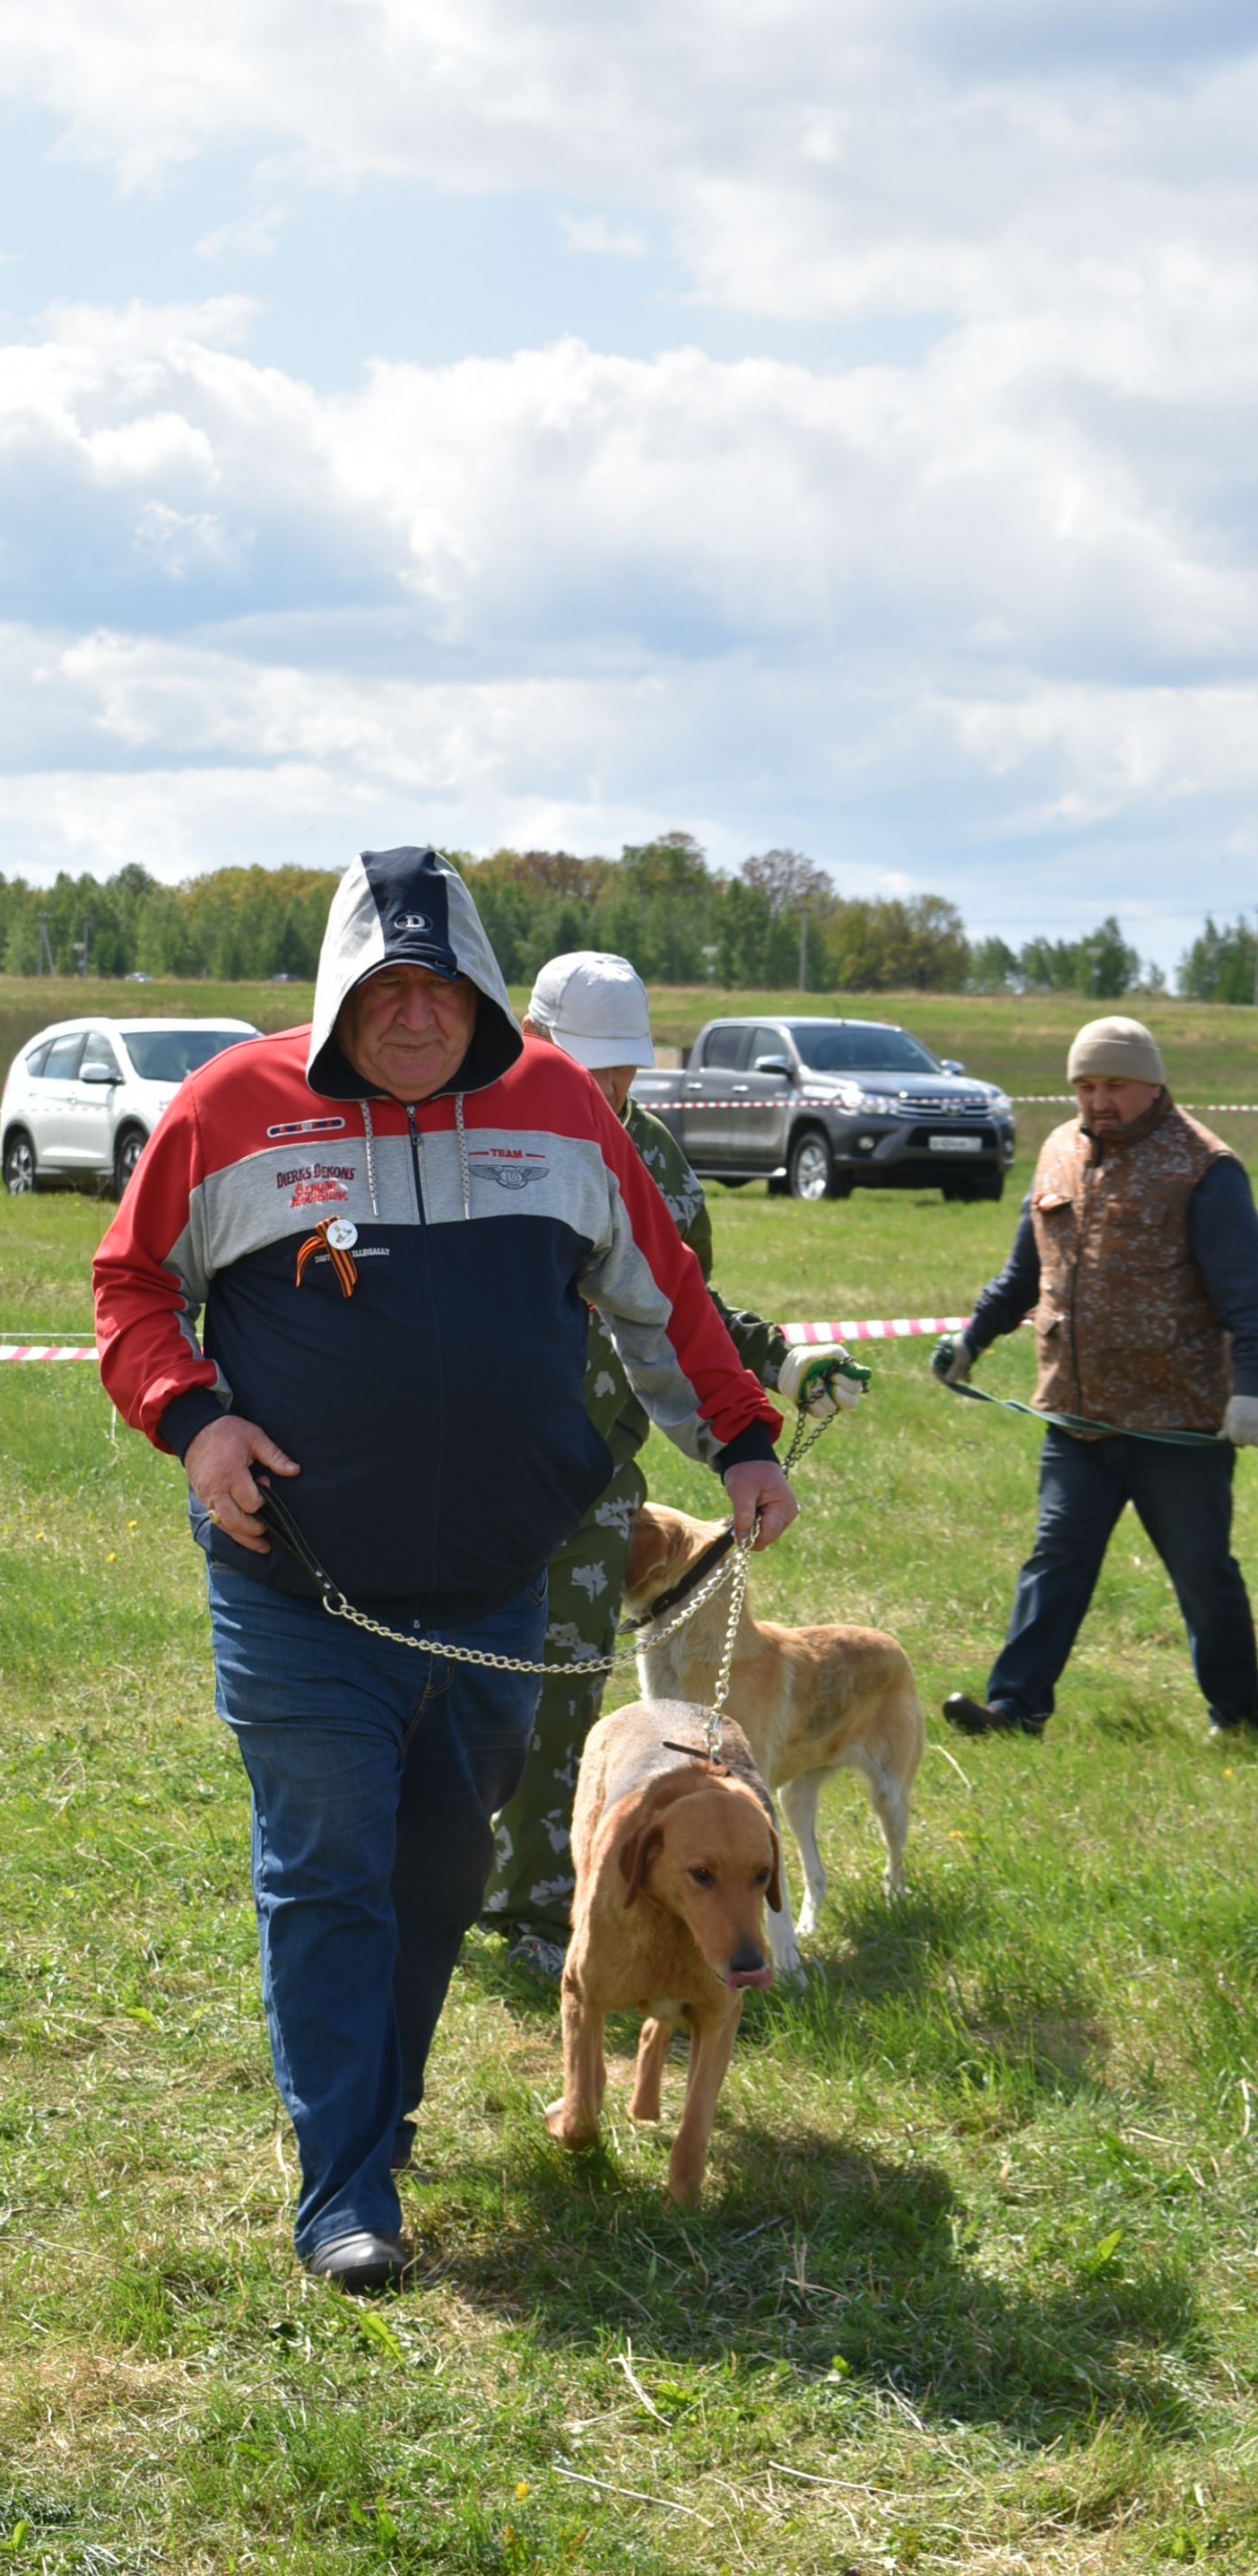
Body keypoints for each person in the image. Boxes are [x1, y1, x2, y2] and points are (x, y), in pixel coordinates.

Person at [93, 849, 799, 2293]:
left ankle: (378, 2117)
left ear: (480, 990)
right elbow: (133, 1287)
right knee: (329, 1867)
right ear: (340, 992)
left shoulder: (555, 1111)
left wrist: (737, 1436)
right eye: (386, 988)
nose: (416, 1016)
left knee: (438, 1874)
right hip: (301, 1590)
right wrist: (196, 1417)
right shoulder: (231, 1110)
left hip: (494, 1593)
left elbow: (660, 1288)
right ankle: (346, 2187)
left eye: (443, 987)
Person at [480, 950, 870, 1974]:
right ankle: (426, 1875)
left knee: (561, 1681)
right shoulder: (472, 1127)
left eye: (624, 1071)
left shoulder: (653, 1157)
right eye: (588, 1066)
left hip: (593, 1468)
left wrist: (783, 1354)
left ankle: (531, 1909)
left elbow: (679, 1299)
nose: (609, 1091)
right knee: (450, 1684)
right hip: (469, 1461)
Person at [940, 1014, 1258, 1744]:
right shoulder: (1057, 1153)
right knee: (1055, 1561)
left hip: (1175, 1423)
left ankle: (1238, 1715)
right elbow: (1026, 1272)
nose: (1097, 1100)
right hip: (1076, 1418)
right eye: (1085, 1085)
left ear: (1152, 1084)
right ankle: (1015, 1710)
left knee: (1204, 1576)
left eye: (1114, 1084)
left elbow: (1248, 1294)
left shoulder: (1204, 1168)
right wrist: (971, 1340)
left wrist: (1250, 1389)